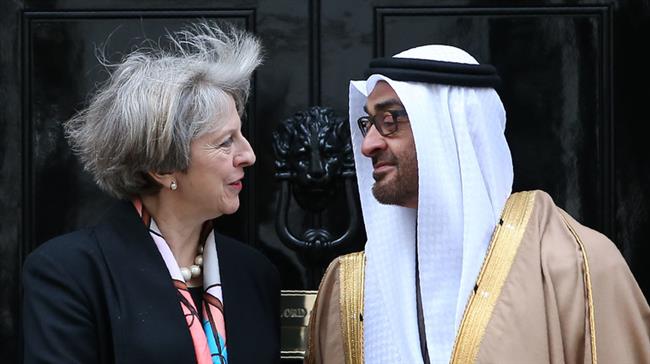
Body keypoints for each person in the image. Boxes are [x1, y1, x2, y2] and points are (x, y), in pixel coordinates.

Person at [306, 45, 650, 363]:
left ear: (449, 126)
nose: (367, 145)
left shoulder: (569, 266)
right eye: (368, 123)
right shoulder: (349, 288)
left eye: (390, 121)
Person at [22, 22, 280, 364]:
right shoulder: (69, 273)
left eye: (241, 135)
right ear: (163, 167)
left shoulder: (253, 273)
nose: (248, 156)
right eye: (225, 142)